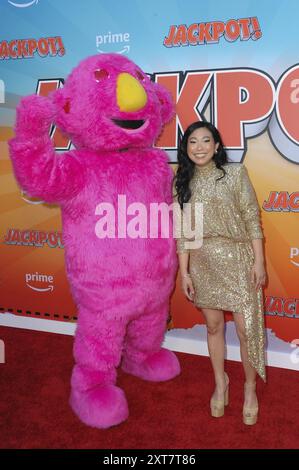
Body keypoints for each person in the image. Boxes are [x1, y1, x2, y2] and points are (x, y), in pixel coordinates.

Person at [174, 121, 267, 425]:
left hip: (239, 259)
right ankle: (220, 382)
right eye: (192, 142)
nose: (199, 147)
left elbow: (252, 217)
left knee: (245, 330)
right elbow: (183, 231)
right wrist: (184, 272)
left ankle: (250, 388)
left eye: (206, 141)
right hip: (203, 262)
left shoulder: (235, 173)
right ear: (186, 149)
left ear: (216, 146)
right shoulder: (183, 181)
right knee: (214, 327)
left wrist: (259, 262)